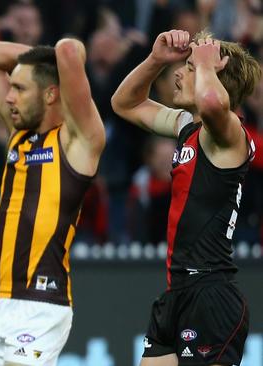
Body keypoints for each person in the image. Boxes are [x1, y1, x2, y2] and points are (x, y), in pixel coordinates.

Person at [111, 29, 260, 366]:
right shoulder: (185, 127)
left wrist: (207, 65)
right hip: (176, 293)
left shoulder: (230, 134)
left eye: (190, 67)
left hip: (212, 295)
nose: (178, 72)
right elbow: (125, 103)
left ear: (215, 76)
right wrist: (155, 60)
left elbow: (212, 102)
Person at [0, 37, 106, 365]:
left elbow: (70, 50)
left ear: (50, 94)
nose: (8, 97)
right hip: (0, 300)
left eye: (19, 88)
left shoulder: (79, 142)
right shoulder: (19, 136)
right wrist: (41, 65)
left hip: (41, 303)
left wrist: (53, 65)